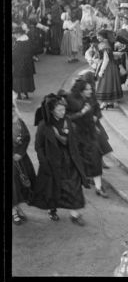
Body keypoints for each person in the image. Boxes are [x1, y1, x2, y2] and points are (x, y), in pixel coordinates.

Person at [31, 94, 88, 225]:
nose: (63, 112)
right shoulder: (43, 126)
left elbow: (74, 141)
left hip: (69, 161)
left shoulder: (67, 120)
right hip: (51, 162)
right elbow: (38, 146)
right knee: (52, 189)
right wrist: (43, 163)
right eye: (60, 110)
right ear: (52, 111)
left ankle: (74, 215)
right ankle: (52, 210)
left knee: (73, 187)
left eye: (64, 110)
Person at [66, 78, 110, 198]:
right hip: (77, 135)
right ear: (81, 91)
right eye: (88, 89)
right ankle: (79, 182)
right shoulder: (71, 100)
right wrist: (82, 113)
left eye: (91, 89)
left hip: (91, 133)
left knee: (96, 157)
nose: (91, 91)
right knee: (78, 160)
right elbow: (67, 117)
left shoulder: (91, 98)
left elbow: (97, 110)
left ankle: (98, 187)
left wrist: (96, 117)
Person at [12, 100, 36, 225]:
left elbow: (26, 137)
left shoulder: (19, 122)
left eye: (12, 110)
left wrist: (20, 153)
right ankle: (14, 212)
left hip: (21, 159)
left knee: (21, 185)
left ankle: (17, 207)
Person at [96, 29, 123, 109]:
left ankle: (105, 103)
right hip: (112, 66)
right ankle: (110, 102)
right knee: (111, 83)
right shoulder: (108, 42)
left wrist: (101, 70)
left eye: (99, 36)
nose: (97, 38)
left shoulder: (103, 44)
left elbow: (106, 59)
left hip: (108, 66)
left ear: (103, 36)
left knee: (105, 84)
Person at [12, 25, 35, 101]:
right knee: (26, 79)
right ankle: (25, 93)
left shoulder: (19, 43)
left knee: (19, 79)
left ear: (19, 34)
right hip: (28, 63)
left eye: (15, 33)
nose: (14, 35)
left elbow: (15, 54)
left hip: (20, 64)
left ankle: (20, 94)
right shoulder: (27, 40)